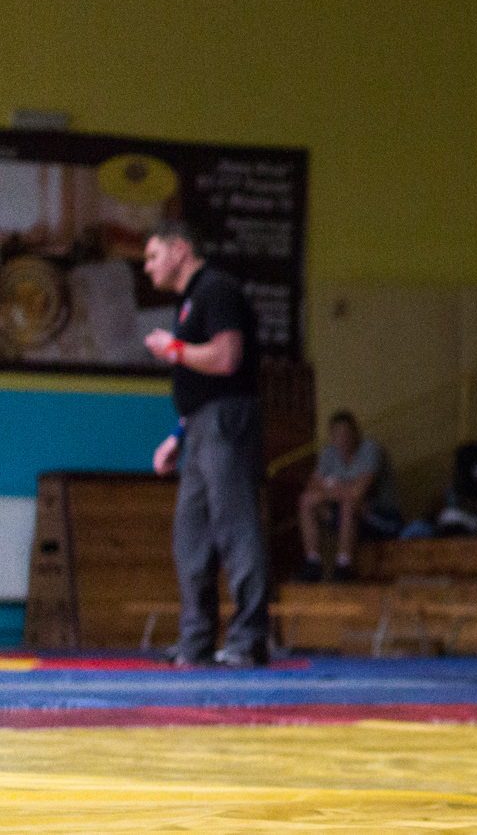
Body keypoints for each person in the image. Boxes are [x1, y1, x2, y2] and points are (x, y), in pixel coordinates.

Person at [141, 220, 269, 668]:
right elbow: (199, 381)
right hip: (200, 425)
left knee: (235, 527)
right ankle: (197, 643)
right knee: (191, 535)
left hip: (225, 421)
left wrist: (172, 349)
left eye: (153, 256)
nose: (148, 267)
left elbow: (227, 358)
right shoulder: (191, 300)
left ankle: (248, 639)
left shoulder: (216, 289)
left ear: (180, 249)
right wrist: (178, 434)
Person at [297, 411, 400, 582]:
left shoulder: (370, 449)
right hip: (346, 516)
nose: (343, 438)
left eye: (346, 433)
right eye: (338, 434)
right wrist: (343, 489)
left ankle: (343, 566)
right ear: (332, 436)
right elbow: (311, 488)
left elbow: (359, 492)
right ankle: (313, 563)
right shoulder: (328, 453)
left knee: (349, 503)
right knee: (307, 501)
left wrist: (331, 485)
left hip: (379, 517)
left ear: (355, 433)